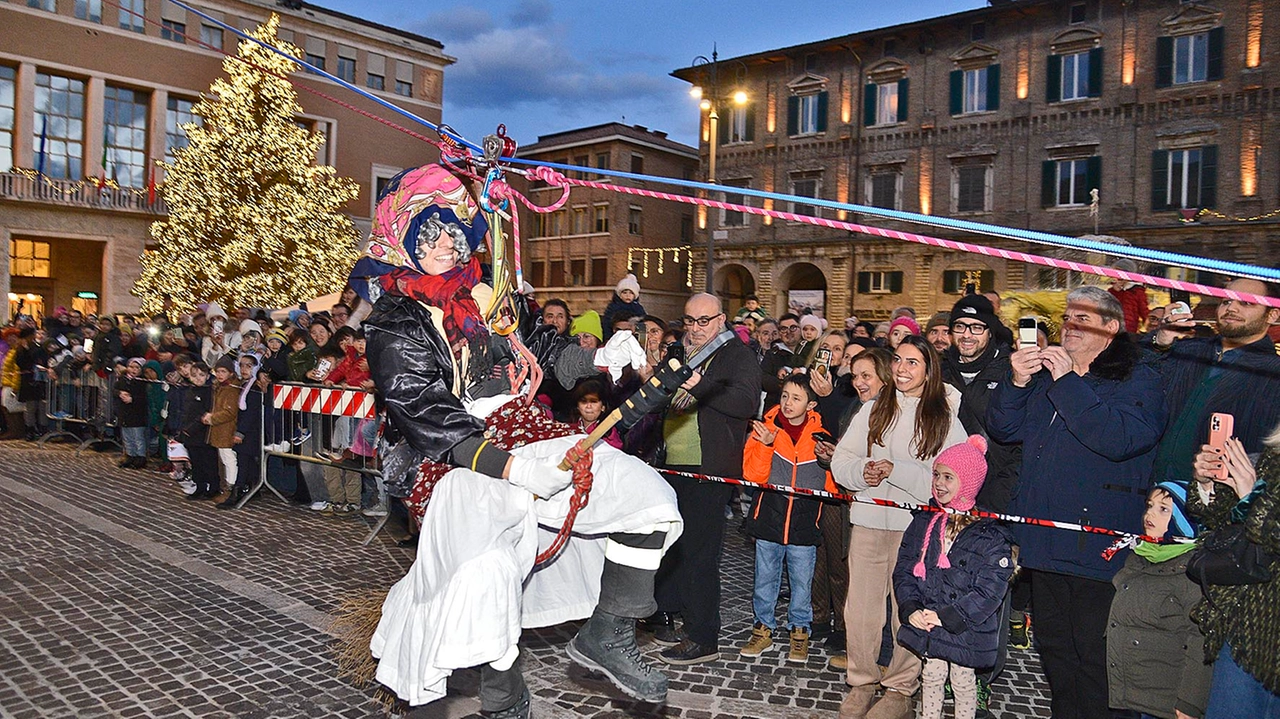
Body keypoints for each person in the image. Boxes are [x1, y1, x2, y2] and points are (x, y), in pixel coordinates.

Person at [354, 163, 682, 714]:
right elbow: (421, 410)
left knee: (649, 497)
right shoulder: (393, 321)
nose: (443, 246)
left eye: (453, 234)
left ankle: (609, 633)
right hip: (450, 459)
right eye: (427, 234)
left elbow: (548, 352)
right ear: (403, 239)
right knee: (488, 574)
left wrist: (608, 357)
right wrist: (509, 469)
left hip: (525, 427)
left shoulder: (487, 299)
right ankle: (504, 700)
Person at [986, 286, 1166, 719]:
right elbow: (1004, 427)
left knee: (1096, 662)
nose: (1069, 326)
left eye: (1082, 319)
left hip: (1098, 548)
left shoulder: (1139, 377)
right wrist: (1018, 380)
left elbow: (1120, 439)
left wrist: (1068, 382)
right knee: (1057, 655)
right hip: (1045, 541)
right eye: (1067, 318)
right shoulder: (1048, 376)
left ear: (1111, 328)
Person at [831, 336, 967, 719]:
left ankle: (900, 688)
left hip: (916, 528)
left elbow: (951, 479)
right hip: (869, 520)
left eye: (912, 362)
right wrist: (863, 472)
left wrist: (898, 471)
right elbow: (843, 459)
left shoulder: (944, 415)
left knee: (907, 607)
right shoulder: (874, 408)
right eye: (897, 360)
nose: (902, 369)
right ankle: (861, 681)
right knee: (860, 608)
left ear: (928, 370)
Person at [651, 292, 762, 666]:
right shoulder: (679, 352)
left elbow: (745, 404)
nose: (695, 329)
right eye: (689, 321)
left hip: (708, 467)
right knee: (670, 546)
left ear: (721, 320)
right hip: (671, 463)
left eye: (703, 321)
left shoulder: (736, 355)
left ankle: (703, 636)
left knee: (700, 555)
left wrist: (698, 385)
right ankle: (667, 614)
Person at [893, 435, 1015, 719]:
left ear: (969, 483)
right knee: (932, 675)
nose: (938, 483)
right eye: (936, 475)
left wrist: (949, 616)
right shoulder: (925, 521)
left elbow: (989, 591)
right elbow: (905, 568)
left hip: (964, 627)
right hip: (929, 621)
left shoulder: (989, 534)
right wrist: (910, 607)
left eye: (948, 477)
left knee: (962, 680)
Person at [739, 373, 836, 663]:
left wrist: (827, 460)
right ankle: (762, 629)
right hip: (769, 517)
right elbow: (752, 475)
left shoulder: (822, 435)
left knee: (802, 582)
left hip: (805, 522)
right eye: (784, 396)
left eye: (796, 398)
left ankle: (799, 631)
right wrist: (766, 445)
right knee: (765, 578)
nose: (788, 403)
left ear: (811, 404)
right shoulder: (766, 428)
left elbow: (832, 487)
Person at [1148, 278, 1280, 486]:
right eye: (1226, 301)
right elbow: (1138, 378)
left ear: (1272, 314)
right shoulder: (1188, 350)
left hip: (1215, 503)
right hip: (1154, 492)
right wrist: (1161, 341)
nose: (1231, 308)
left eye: (1246, 303)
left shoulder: (1272, 373)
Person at [1188, 428, 1280, 718]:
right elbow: (1227, 526)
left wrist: (1252, 497)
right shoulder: (1270, 459)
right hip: (1246, 631)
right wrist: (1208, 484)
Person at [1106, 482, 1210, 719]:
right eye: (1150, 506)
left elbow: (1201, 639)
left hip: (1168, 703)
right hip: (1138, 695)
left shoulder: (1193, 572)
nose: (1149, 513)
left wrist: (1190, 703)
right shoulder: (1142, 556)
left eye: (1164, 509)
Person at [177, 362, 218, 500]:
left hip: (203, 434)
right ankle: (199, 486)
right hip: (189, 434)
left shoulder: (209, 391)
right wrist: (183, 430)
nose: (198, 378)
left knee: (208, 462)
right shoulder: (190, 391)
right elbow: (185, 412)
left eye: (201, 375)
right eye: (194, 375)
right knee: (196, 462)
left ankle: (213, 487)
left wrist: (190, 429)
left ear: (207, 376)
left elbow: (205, 413)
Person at [115, 357, 150, 468]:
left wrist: (133, 399)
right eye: (131, 367)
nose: (133, 370)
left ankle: (140, 457)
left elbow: (145, 397)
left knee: (138, 437)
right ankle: (130, 455)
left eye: (136, 368)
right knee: (127, 437)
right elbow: (114, 390)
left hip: (137, 414)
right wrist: (120, 393)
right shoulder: (123, 379)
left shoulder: (143, 381)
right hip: (124, 413)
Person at [573, 379, 622, 450]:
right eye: (584, 401)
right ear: (577, 406)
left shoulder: (608, 432)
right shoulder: (571, 426)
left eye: (593, 401)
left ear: (603, 407)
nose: (588, 406)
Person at [1107, 258, 1149, 334]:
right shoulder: (1112, 290)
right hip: (1111, 327)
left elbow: (1144, 311)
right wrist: (1115, 291)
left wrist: (1148, 326)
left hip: (1129, 329)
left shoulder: (1137, 291)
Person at [602, 274, 645, 339]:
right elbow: (607, 323)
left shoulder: (638, 308)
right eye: (625, 293)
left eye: (631, 293)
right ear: (619, 295)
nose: (628, 295)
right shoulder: (613, 307)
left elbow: (643, 323)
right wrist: (607, 338)